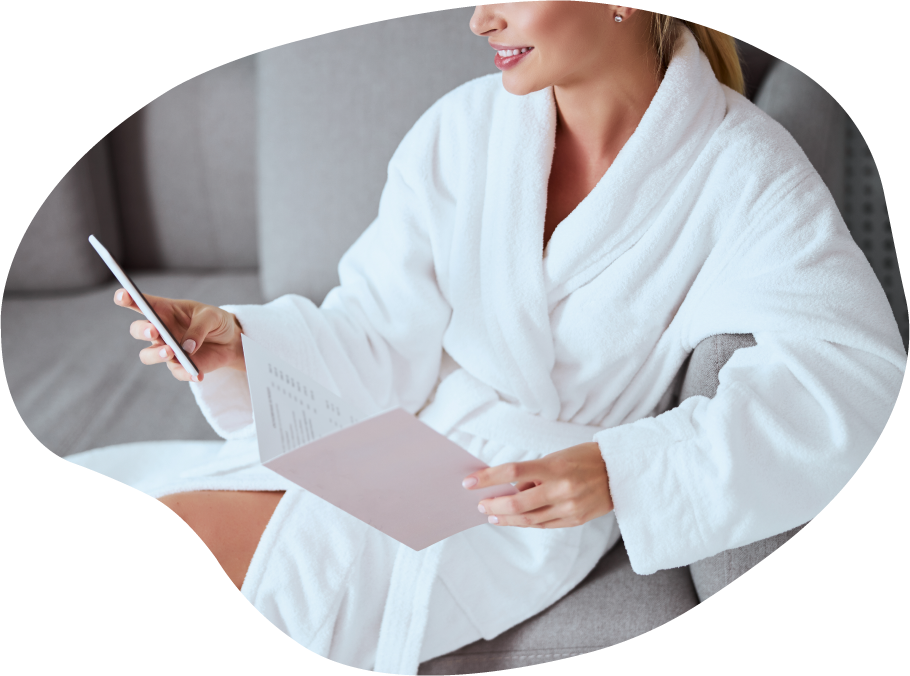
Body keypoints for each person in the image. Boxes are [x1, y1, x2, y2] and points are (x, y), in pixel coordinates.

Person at [71, 2, 905, 673]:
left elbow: (852, 377)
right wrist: (242, 346)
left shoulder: (741, 168)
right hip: (389, 442)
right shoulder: (463, 129)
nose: (479, 20)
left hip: (515, 501)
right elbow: (379, 329)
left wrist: (625, 470)